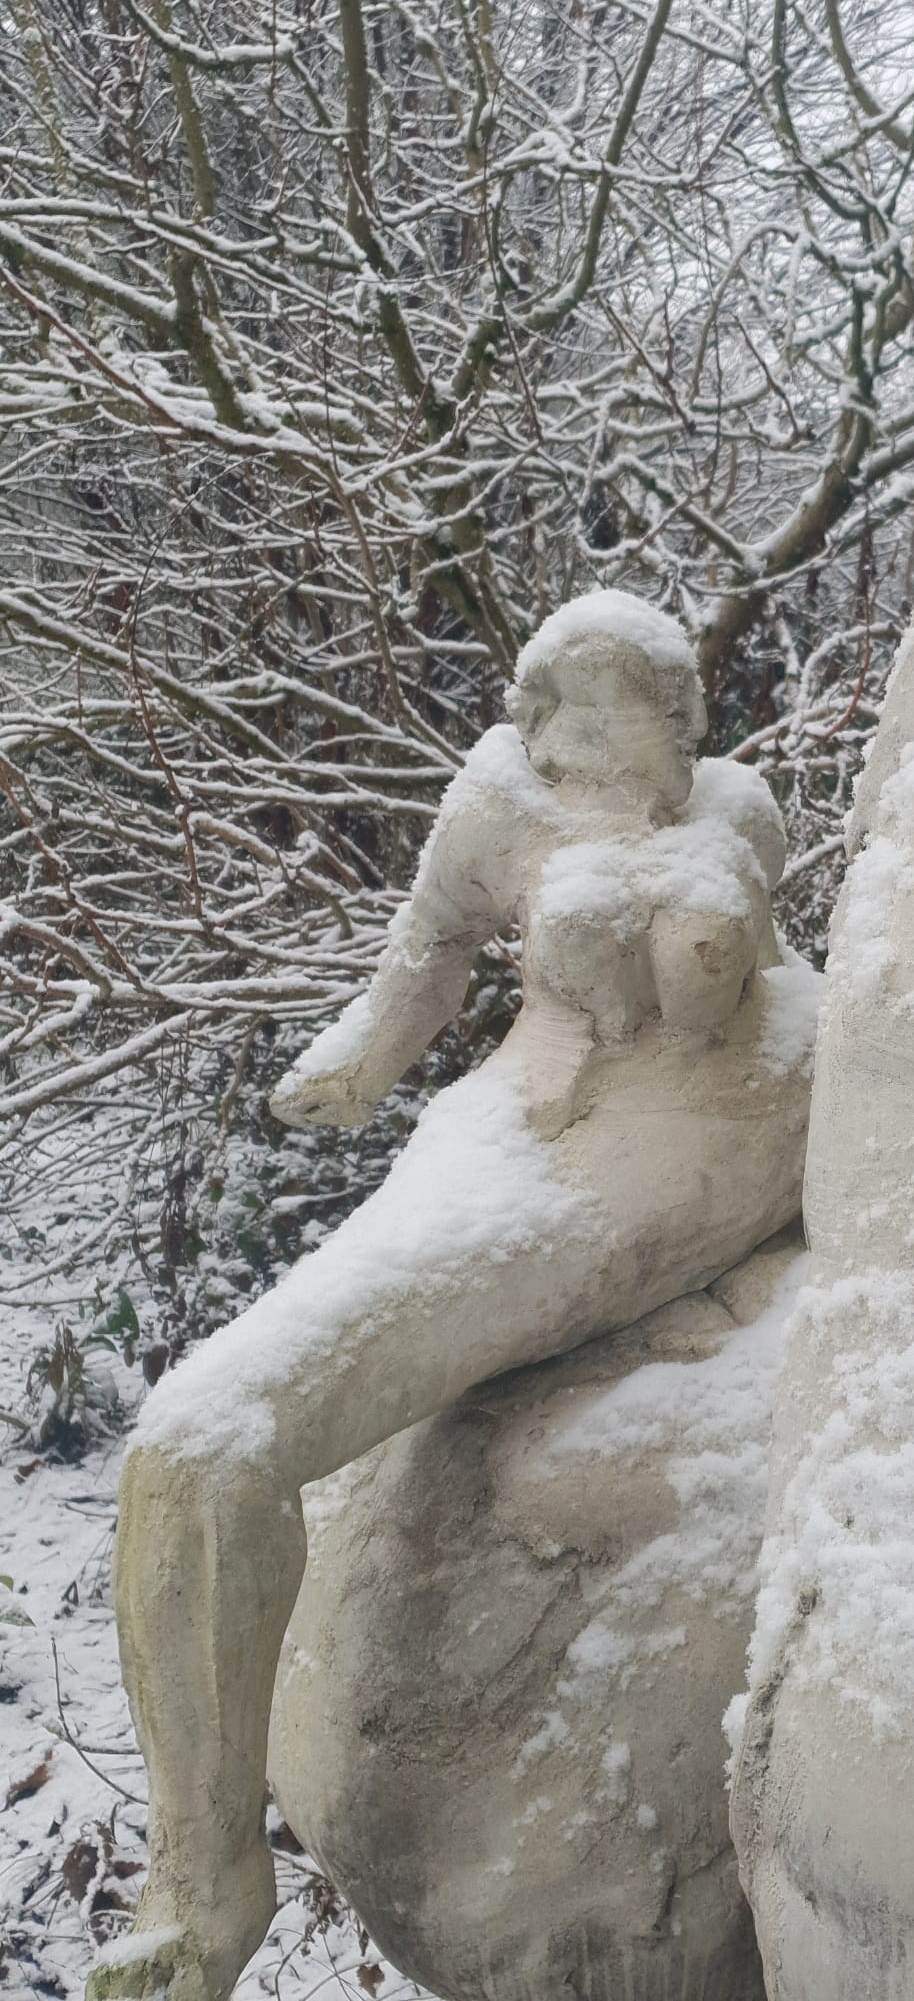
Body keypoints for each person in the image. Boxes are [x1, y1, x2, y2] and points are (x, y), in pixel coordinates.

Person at [90, 591, 816, 2001]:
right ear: (534, 717)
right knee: (199, 1443)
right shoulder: (493, 809)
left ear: (683, 713)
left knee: (220, 1436)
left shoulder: (741, 810)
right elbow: (420, 966)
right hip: (521, 1151)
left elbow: (793, 989)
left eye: (642, 698)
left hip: (716, 1148)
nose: (607, 723)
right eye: (573, 700)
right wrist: (351, 1072)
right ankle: (199, 1873)